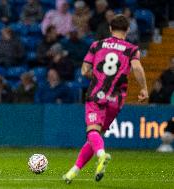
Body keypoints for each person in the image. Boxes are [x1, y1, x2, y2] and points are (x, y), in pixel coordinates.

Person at [63, 14, 148, 183]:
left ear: (110, 29)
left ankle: (102, 155)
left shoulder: (97, 45)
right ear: (128, 30)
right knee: (96, 136)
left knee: (92, 131)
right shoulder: (132, 49)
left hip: (97, 94)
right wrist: (144, 88)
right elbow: (137, 68)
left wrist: (97, 78)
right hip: (116, 99)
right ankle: (73, 171)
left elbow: (84, 70)